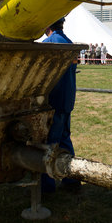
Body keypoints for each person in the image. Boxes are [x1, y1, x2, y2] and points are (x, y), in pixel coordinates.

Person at [41, 18, 81, 193]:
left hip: (54, 100)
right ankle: (71, 178)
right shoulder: (68, 41)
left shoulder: (48, 43)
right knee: (64, 138)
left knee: (49, 142)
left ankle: (46, 186)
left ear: (47, 24)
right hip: (67, 99)